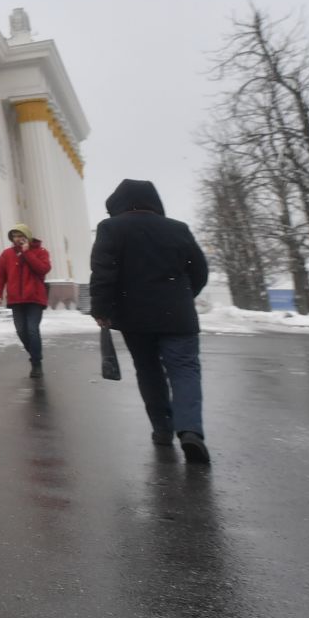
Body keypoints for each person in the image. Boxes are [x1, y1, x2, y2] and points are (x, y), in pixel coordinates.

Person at [89, 180, 212, 463]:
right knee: (185, 371)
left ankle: (162, 429)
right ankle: (191, 430)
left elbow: (103, 273)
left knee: (149, 371)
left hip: (135, 316)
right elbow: (199, 270)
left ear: (119, 204)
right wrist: (182, 295)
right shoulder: (177, 228)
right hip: (178, 315)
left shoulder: (111, 228)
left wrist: (101, 309)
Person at [0, 224, 53, 375]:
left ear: (27, 237)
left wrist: (27, 253)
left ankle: (36, 363)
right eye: (15, 236)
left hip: (35, 298)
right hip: (16, 299)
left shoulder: (40, 251)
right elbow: (0, 275)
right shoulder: (7, 254)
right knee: (21, 331)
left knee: (32, 330)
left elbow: (43, 269)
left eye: (20, 236)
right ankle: (34, 355)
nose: (17, 239)